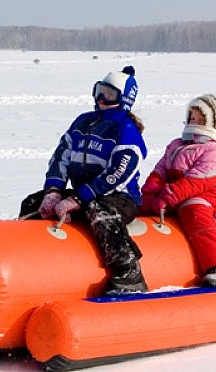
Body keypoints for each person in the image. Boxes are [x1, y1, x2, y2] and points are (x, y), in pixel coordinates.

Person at [38, 65, 149, 296]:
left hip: (119, 197)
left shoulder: (125, 129)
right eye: (99, 91)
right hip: (82, 193)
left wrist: (80, 198)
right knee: (34, 203)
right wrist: (54, 190)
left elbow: (118, 174)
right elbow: (61, 156)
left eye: (109, 94)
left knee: (99, 211)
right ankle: (32, 258)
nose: (101, 99)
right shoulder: (83, 122)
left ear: (124, 99)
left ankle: (128, 270)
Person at [141, 94, 216, 287]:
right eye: (193, 118)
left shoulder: (215, 151)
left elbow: (197, 181)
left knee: (195, 213)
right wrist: (151, 191)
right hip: (173, 195)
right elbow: (161, 169)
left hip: (202, 197)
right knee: (141, 205)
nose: (195, 123)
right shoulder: (177, 145)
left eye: (201, 120)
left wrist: (168, 196)